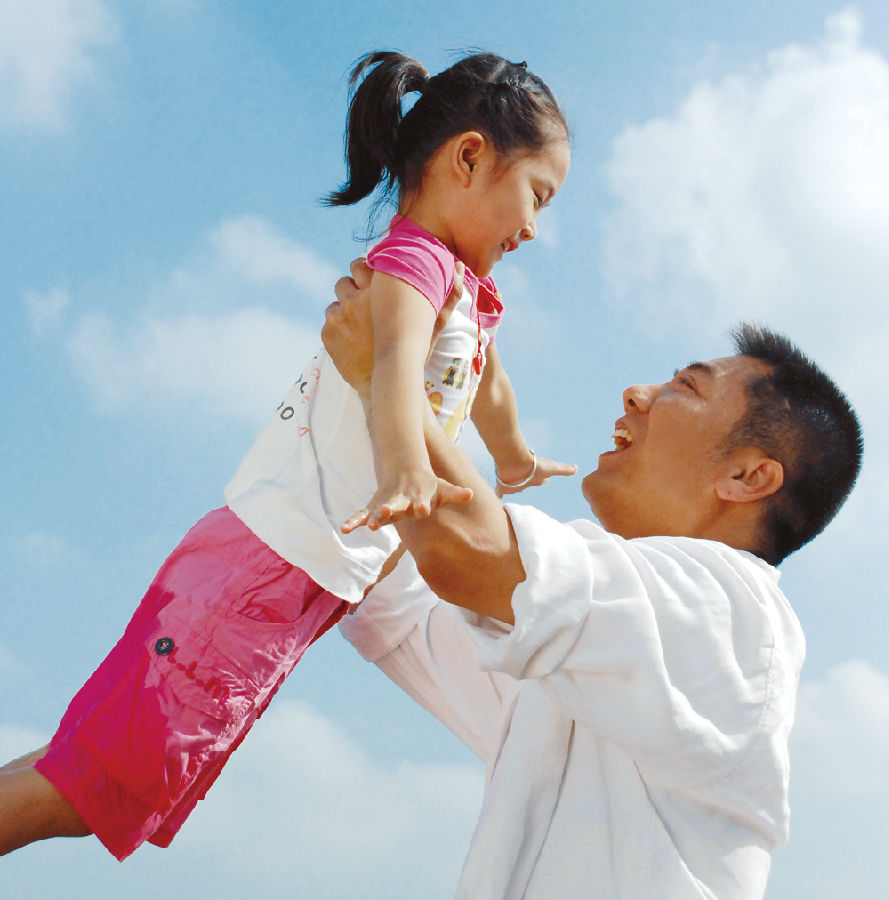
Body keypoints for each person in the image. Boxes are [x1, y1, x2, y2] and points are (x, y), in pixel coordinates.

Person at [0, 51, 575, 861]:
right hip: (261, 571)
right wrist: (404, 467)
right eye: (537, 195)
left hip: (288, 580)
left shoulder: (462, 290)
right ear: (470, 157)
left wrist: (514, 461)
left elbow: (488, 385)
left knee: (95, 775)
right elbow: (392, 370)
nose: (535, 228)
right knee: (97, 784)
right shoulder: (413, 265)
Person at [321, 263, 863, 900]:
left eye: (687, 386)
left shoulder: (733, 609)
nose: (637, 393)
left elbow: (464, 556)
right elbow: (398, 598)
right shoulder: (582, 661)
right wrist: (410, 373)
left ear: (746, 477)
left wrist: (384, 370)